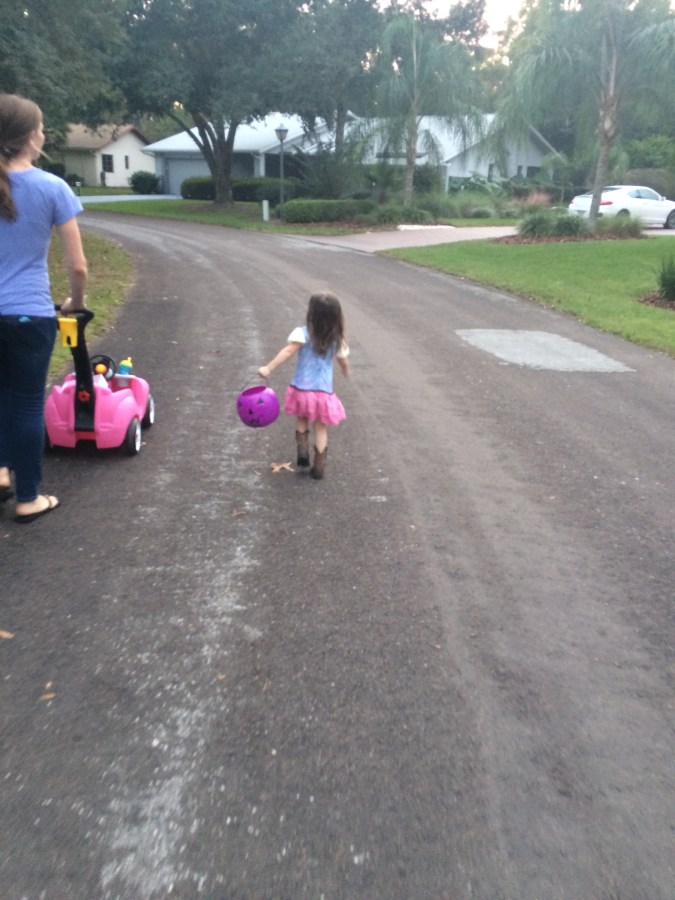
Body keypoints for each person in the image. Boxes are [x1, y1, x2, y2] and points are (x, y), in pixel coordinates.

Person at [0, 93, 88, 523]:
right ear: (31, 137)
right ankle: (28, 497)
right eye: (40, 128)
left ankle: (1, 471)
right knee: (26, 404)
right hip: (29, 314)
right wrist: (76, 303)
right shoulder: (53, 188)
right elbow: (78, 266)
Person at [258, 291, 350, 480]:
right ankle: (319, 467)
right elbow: (343, 361)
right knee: (321, 427)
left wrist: (268, 368)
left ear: (312, 313)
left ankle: (302, 454)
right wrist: (345, 371)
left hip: (301, 389)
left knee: (301, 418)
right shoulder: (337, 339)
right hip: (323, 392)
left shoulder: (302, 333)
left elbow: (287, 351)